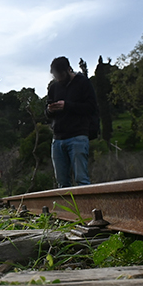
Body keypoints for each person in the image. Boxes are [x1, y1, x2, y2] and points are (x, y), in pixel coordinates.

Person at [45, 56, 97, 188]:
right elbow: (47, 114)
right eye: (56, 76)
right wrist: (50, 110)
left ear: (68, 70)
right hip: (58, 138)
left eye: (61, 75)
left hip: (78, 136)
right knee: (62, 183)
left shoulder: (83, 83)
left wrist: (67, 106)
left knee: (82, 179)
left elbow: (91, 108)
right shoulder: (54, 87)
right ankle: (67, 209)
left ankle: (86, 207)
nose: (58, 79)